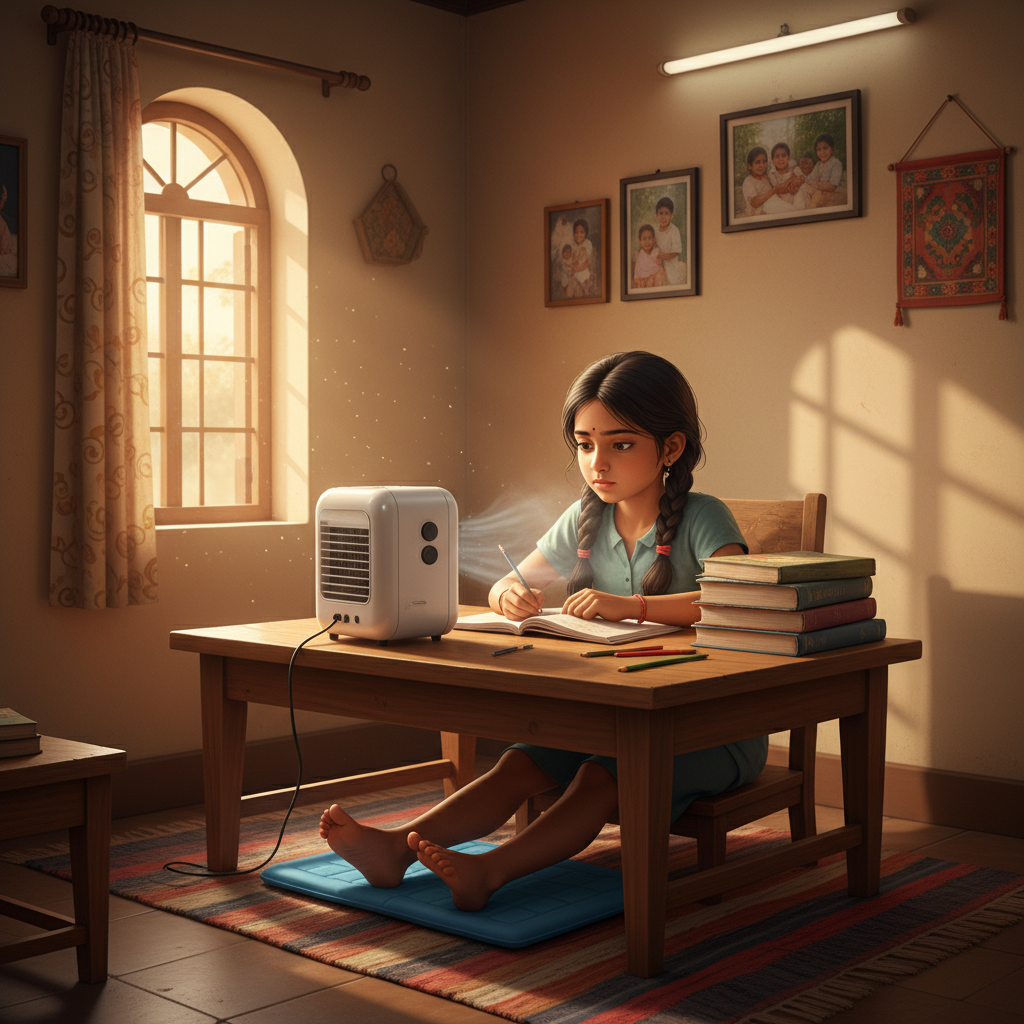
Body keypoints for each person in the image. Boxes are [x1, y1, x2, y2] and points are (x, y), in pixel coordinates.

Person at [318, 351, 769, 913]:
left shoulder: (705, 516)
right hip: (616, 717)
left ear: (671, 448)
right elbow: (511, 582)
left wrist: (631, 605)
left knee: (599, 777)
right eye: (585, 444)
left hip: (711, 727)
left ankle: (490, 872)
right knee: (519, 763)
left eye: (621, 444)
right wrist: (508, 594)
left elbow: (732, 601)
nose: (598, 463)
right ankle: (392, 850)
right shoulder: (584, 519)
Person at [798, 133, 843, 208]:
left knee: (807, 189)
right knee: (803, 187)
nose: (822, 152)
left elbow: (832, 186)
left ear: (832, 149)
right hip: (818, 191)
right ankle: (809, 208)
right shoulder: (819, 164)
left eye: (825, 148)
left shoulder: (836, 163)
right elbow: (810, 178)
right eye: (819, 149)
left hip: (830, 193)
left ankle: (811, 206)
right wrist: (803, 179)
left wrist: (814, 183)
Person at [763, 142, 807, 213]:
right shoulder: (772, 173)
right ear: (773, 160)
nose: (780, 159)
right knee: (768, 204)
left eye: (783, 156)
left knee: (802, 191)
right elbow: (776, 189)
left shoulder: (794, 169)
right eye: (777, 157)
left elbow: (803, 180)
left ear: (789, 157)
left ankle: (796, 212)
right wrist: (791, 180)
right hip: (781, 202)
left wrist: (798, 181)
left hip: (795, 198)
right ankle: (793, 211)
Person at [653, 197, 683, 284]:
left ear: (671, 215)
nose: (663, 217)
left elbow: (676, 251)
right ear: (657, 215)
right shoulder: (655, 231)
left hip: (670, 267)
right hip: (657, 267)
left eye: (666, 213)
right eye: (660, 213)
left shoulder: (674, 230)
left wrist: (662, 256)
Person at [567, 218, 593, 297]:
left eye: (581, 232)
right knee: (570, 292)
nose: (579, 235)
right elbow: (571, 260)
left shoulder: (587, 244)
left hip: (583, 271)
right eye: (576, 232)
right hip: (575, 272)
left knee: (584, 290)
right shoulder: (573, 245)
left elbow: (585, 262)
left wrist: (576, 269)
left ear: (586, 233)